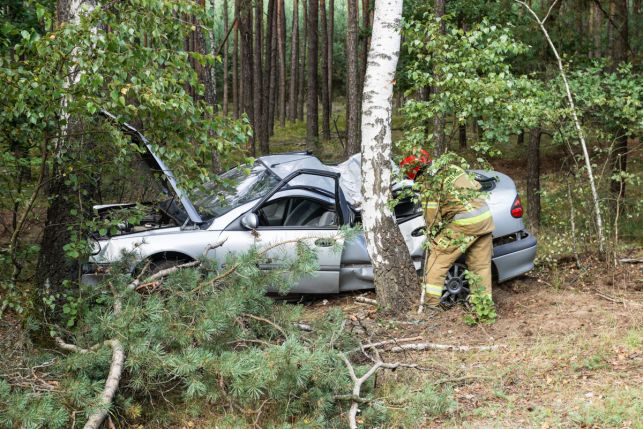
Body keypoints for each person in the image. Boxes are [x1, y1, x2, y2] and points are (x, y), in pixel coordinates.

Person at [401, 153, 495, 308]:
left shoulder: (429, 183)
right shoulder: (452, 168)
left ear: (414, 173)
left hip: (465, 225)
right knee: (480, 267)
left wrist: (433, 237)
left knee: (437, 259)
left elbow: (433, 218)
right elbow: (476, 186)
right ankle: (482, 308)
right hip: (485, 220)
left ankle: (431, 306)